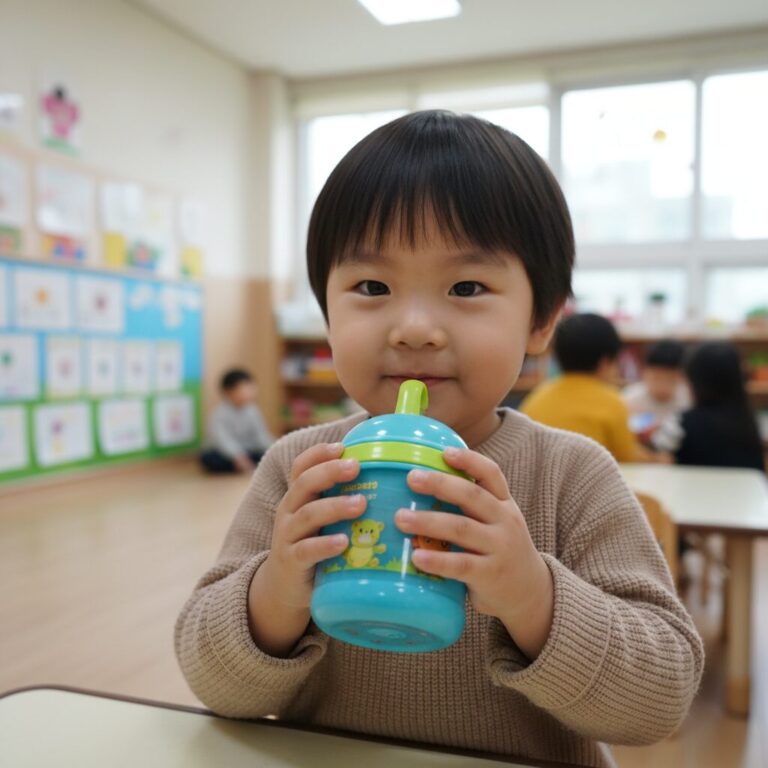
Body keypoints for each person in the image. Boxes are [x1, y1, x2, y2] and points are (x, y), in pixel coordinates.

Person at [176, 111, 702, 768]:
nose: (415, 328)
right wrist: (277, 590)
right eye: (372, 287)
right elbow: (212, 680)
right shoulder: (300, 468)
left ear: (541, 321)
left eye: (467, 287)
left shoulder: (570, 473)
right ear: (327, 314)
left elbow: (659, 702)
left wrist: (532, 595)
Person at [520, 313, 664, 463]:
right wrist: (656, 458)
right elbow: (627, 455)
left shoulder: (537, 396)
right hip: (590, 481)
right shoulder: (611, 401)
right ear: (605, 362)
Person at [675, 342, 764, 471]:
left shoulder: (683, 421)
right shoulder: (749, 420)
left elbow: (660, 457)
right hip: (746, 489)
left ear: (695, 382)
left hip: (697, 489)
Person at [200, 368, 274, 474]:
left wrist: (274, 447)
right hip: (224, 453)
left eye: (251, 388)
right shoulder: (219, 413)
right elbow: (223, 440)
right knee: (210, 459)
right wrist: (237, 456)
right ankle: (239, 465)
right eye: (244, 389)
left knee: (265, 455)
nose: (250, 392)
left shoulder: (253, 410)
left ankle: (243, 465)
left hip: (248, 450)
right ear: (228, 392)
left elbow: (261, 435)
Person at [623, 340, 690, 451]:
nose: (662, 385)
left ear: (682, 377)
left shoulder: (688, 399)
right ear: (644, 372)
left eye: (670, 379)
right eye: (656, 378)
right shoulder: (629, 398)